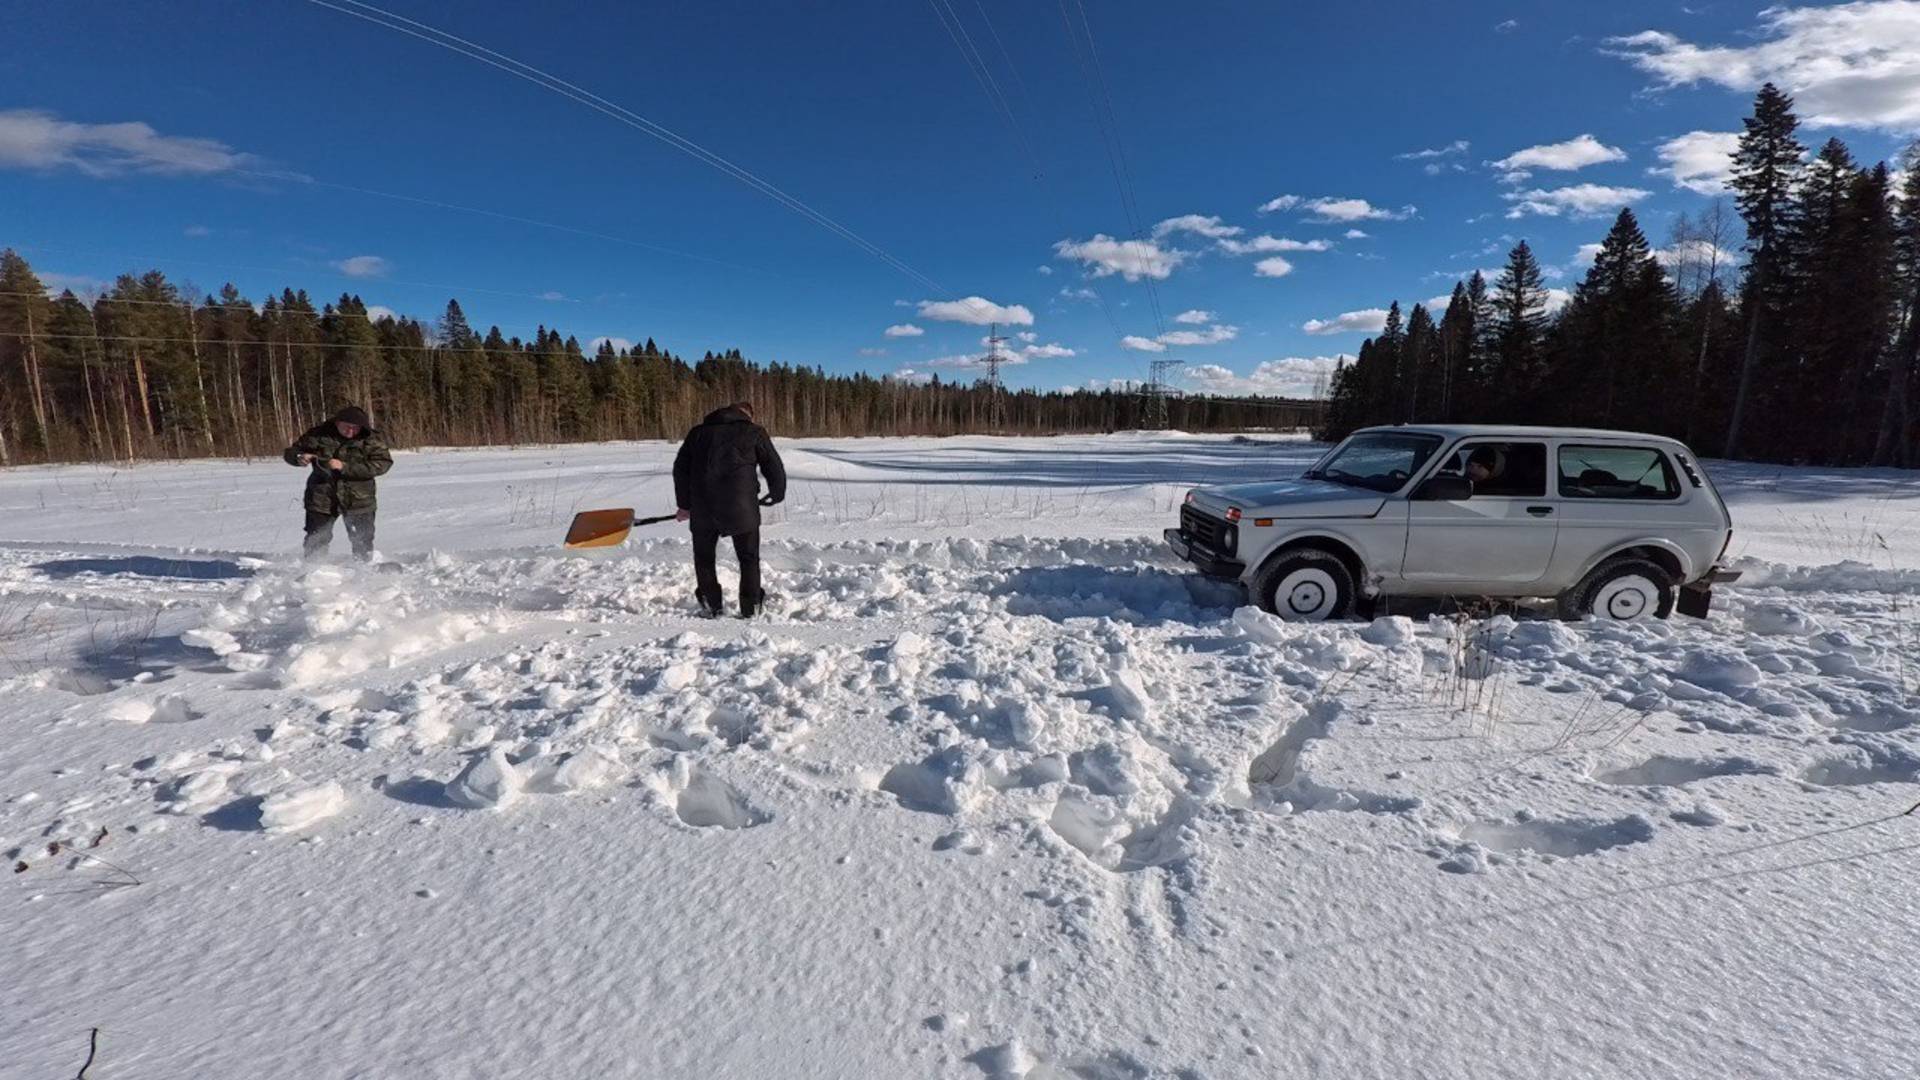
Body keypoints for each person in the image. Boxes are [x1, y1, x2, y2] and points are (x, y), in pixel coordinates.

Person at [672, 401, 786, 618]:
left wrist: (684, 505)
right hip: (742, 507)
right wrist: (777, 493)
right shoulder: (754, 431)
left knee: (704, 557)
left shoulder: (697, 433)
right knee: (749, 558)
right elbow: (773, 464)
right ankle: (751, 606)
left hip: (703, 506)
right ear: (748, 416)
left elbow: (680, 469)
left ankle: (710, 603)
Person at [283, 405, 393, 561]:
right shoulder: (318, 435)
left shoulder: (370, 439)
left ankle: (364, 571)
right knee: (316, 538)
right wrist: (299, 457)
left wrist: (345, 467)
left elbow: (382, 463)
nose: (351, 431)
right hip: (322, 497)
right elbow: (291, 452)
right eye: (347, 427)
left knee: (362, 541)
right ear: (337, 423)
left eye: (355, 428)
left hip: (359, 498)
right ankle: (314, 570)